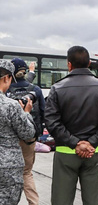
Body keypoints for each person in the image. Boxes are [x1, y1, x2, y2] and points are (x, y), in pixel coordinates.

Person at [45, 46, 98, 205]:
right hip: (94, 152)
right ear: (90, 63)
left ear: (69, 64)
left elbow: (51, 121)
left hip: (66, 151)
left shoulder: (57, 88)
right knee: (93, 200)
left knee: (61, 200)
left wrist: (75, 143)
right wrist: (91, 142)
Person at [7, 58, 46, 205]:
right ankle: (33, 202)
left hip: (10, 139)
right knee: (26, 172)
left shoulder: (5, 91)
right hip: (29, 137)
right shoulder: (35, 90)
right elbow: (43, 111)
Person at [0, 59, 36, 205]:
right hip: (8, 166)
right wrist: (26, 113)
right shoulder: (11, 105)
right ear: (6, 78)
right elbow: (28, 133)